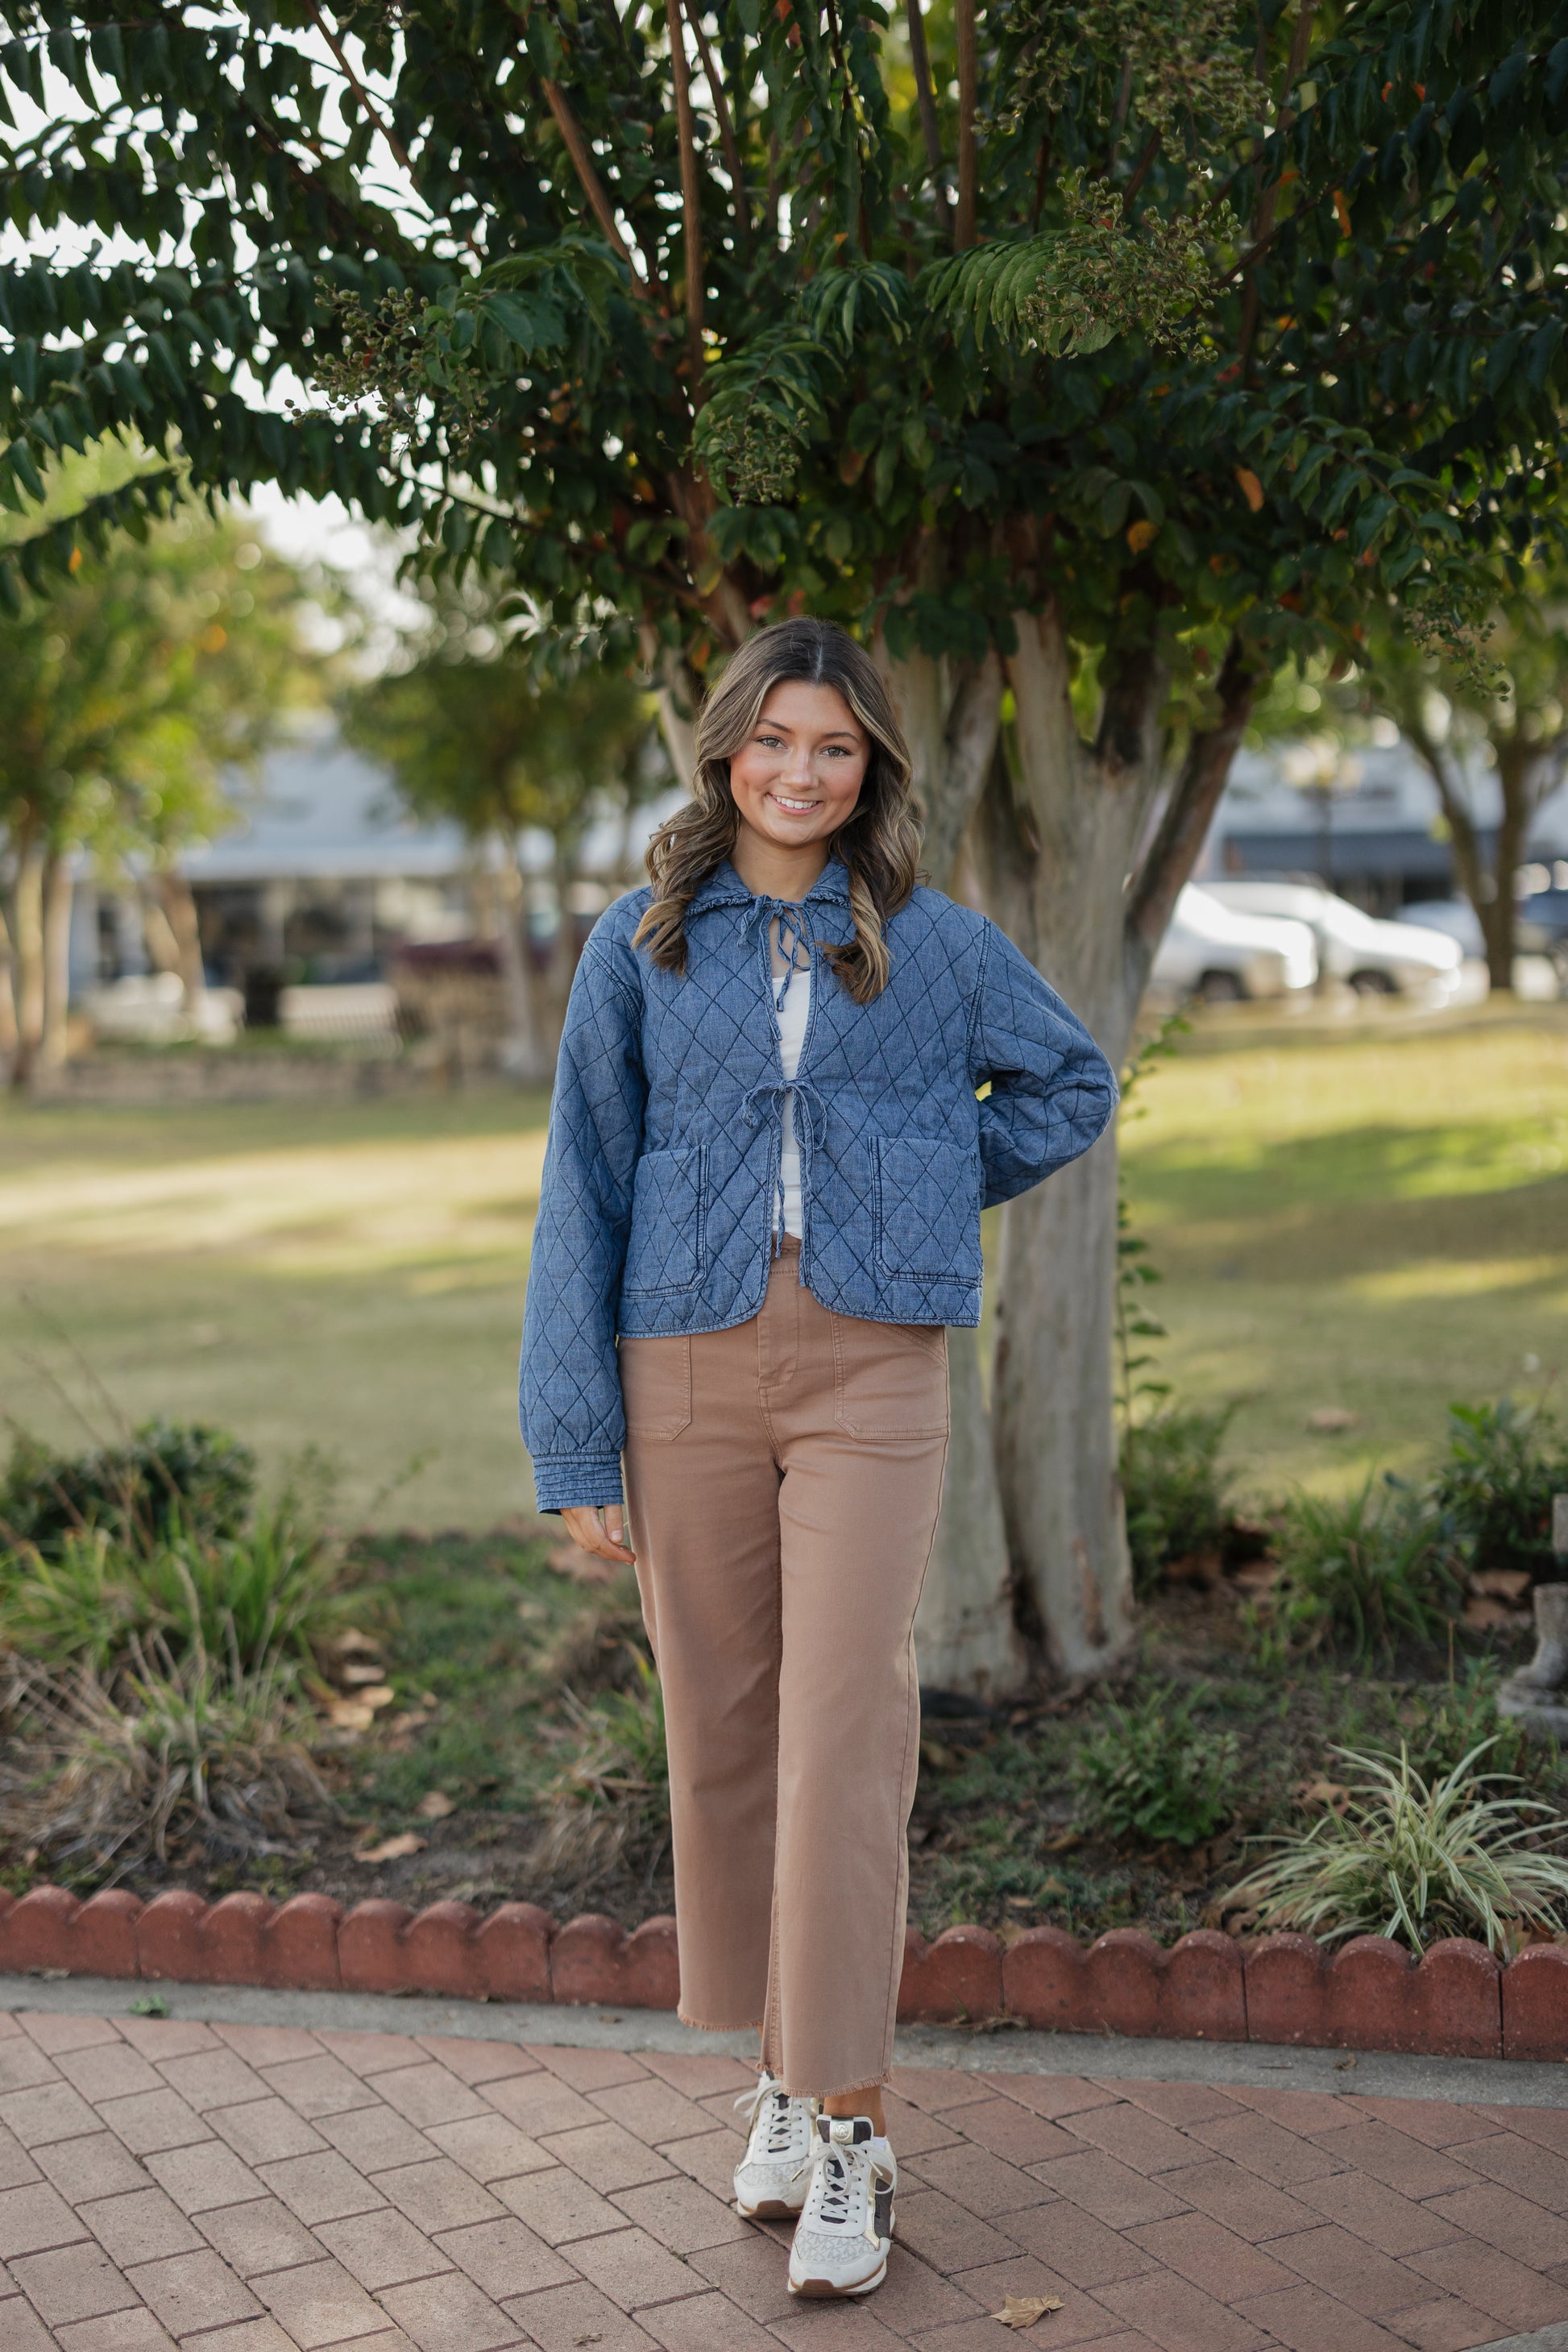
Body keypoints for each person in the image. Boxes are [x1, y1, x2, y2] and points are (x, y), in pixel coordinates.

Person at [520, 616, 1117, 2300]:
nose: (802, 769)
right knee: (722, 1725)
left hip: (870, 1366)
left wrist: (918, 1182)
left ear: (870, 771)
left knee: (848, 1726)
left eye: (835, 746)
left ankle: (853, 2128)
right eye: (776, 738)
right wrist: (573, 1428)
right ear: (726, 751)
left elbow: (1070, 1081)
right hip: (682, 1359)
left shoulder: (929, 942)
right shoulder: (639, 945)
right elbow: (584, 1176)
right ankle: (780, 2072)